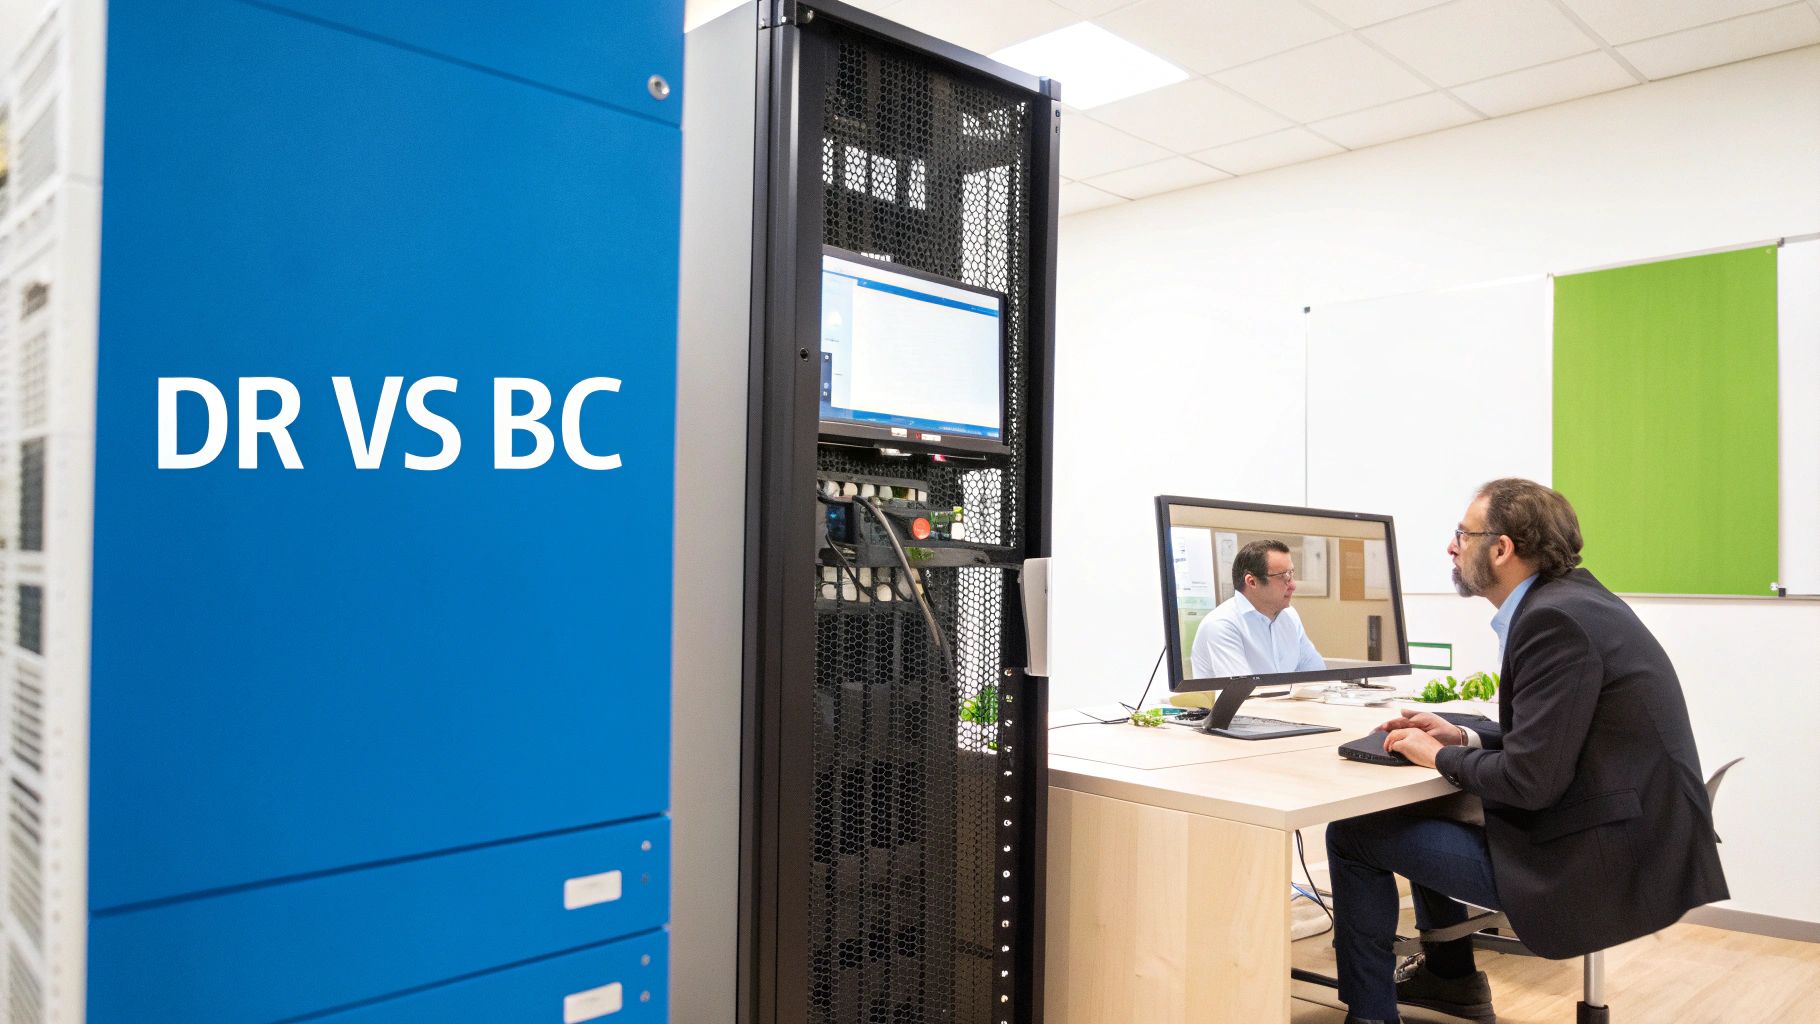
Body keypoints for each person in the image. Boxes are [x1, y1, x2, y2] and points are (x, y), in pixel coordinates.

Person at [1324, 478, 1728, 1024]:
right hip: (1631, 836)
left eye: (1462, 535)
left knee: (1352, 833)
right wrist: (1462, 736)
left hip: (1590, 862)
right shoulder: (1574, 601)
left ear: (1502, 548)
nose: (1451, 547)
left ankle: (1372, 1015)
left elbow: (1529, 781)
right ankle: (1450, 980)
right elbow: (1557, 732)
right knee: (1415, 808)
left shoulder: (1551, 620)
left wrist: (1434, 756)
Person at [1190, 538, 1324, 678]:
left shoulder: (1289, 615)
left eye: (1291, 574)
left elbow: (1318, 675)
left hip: (1284, 700)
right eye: (1283, 577)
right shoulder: (1221, 625)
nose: (1293, 585)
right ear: (1252, 582)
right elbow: (1246, 694)